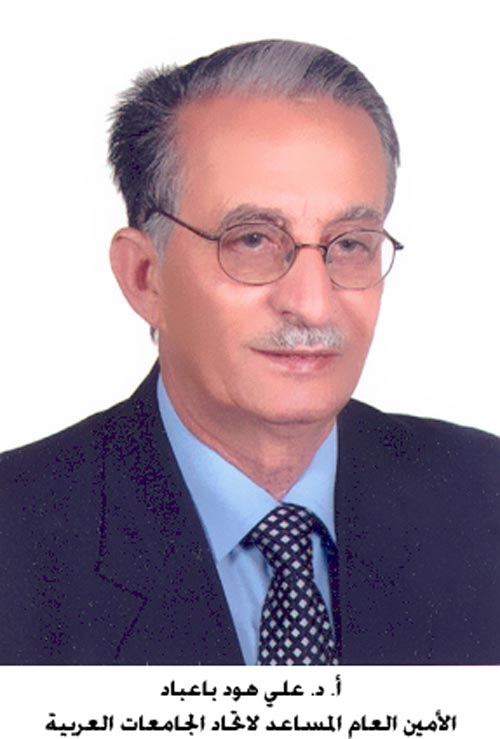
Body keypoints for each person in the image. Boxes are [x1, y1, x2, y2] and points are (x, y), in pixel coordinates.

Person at [0, 39, 498, 666]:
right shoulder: (18, 537)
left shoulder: (484, 496)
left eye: (350, 244)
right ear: (145, 277)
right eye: (253, 240)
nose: (312, 305)